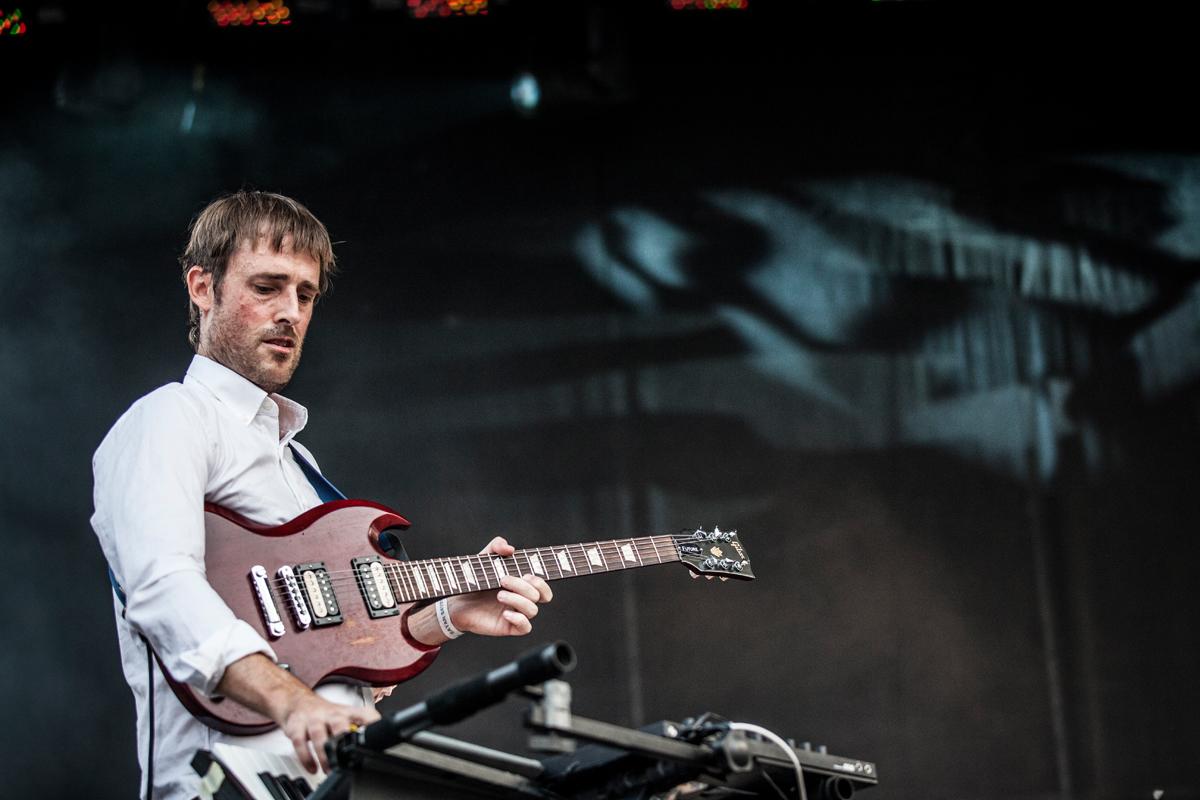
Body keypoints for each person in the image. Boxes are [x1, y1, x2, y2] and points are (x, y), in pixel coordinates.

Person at [91, 191, 554, 800]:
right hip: (223, 784)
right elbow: (160, 587)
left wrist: (448, 613)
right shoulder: (169, 419)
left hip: (337, 783)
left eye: (305, 295)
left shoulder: (297, 461)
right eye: (267, 287)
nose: (291, 312)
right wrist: (291, 701)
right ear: (202, 287)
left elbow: (338, 647)